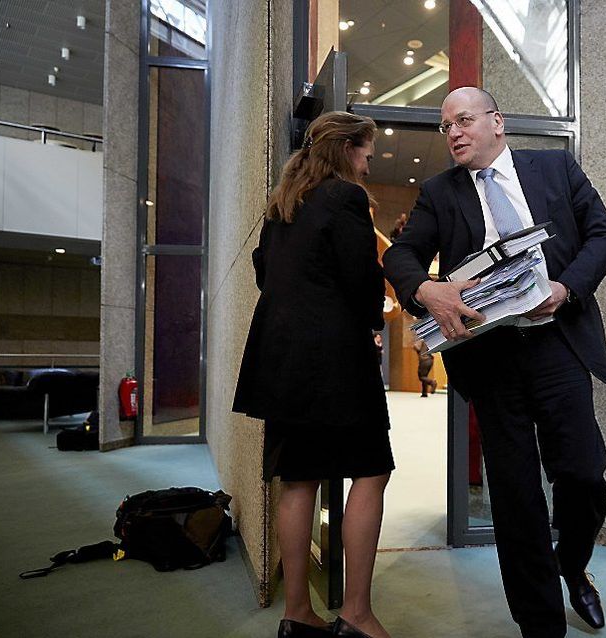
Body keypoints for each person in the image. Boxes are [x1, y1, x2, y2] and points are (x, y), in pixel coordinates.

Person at [383, 87, 606, 638]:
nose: (455, 134)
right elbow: (401, 254)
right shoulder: (440, 192)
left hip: (558, 343)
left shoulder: (554, 168)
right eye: (446, 128)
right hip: (490, 360)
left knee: (583, 474)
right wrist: (427, 290)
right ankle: (540, 623)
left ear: (496, 122)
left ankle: (572, 566)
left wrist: (565, 288)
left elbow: (603, 237)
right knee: (515, 497)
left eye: (464, 121)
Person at [233, 111, 394, 638]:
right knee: (370, 470)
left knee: (298, 480)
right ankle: (357, 614)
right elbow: (361, 280)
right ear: (347, 149)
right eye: (367, 154)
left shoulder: (284, 204)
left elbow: (264, 271)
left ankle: (297, 615)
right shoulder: (343, 198)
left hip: (281, 366)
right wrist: (377, 316)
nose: (369, 164)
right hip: (335, 365)